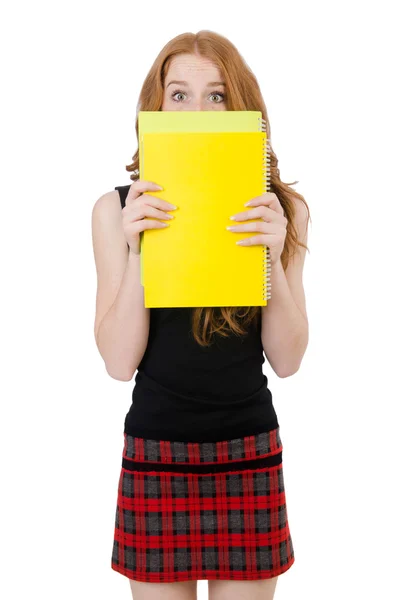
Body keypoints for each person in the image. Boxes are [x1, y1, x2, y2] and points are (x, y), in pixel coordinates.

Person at [92, 30, 310, 600]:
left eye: (216, 95)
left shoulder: (283, 212)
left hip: (248, 448)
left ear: (240, 108)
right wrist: (139, 249)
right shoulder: (115, 211)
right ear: (155, 108)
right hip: (155, 451)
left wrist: (273, 254)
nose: (196, 110)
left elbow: (287, 359)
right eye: (178, 94)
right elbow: (118, 361)